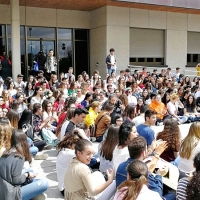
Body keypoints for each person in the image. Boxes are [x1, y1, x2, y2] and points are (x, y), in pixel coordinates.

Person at [0, 129, 49, 200]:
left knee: (30, 172)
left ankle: (33, 194)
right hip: (10, 194)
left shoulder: (6, 152)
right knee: (44, 183)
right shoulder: (19, 156)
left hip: (3, 189)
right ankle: (32, 195)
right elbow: (16, 180)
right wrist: (27, 175)